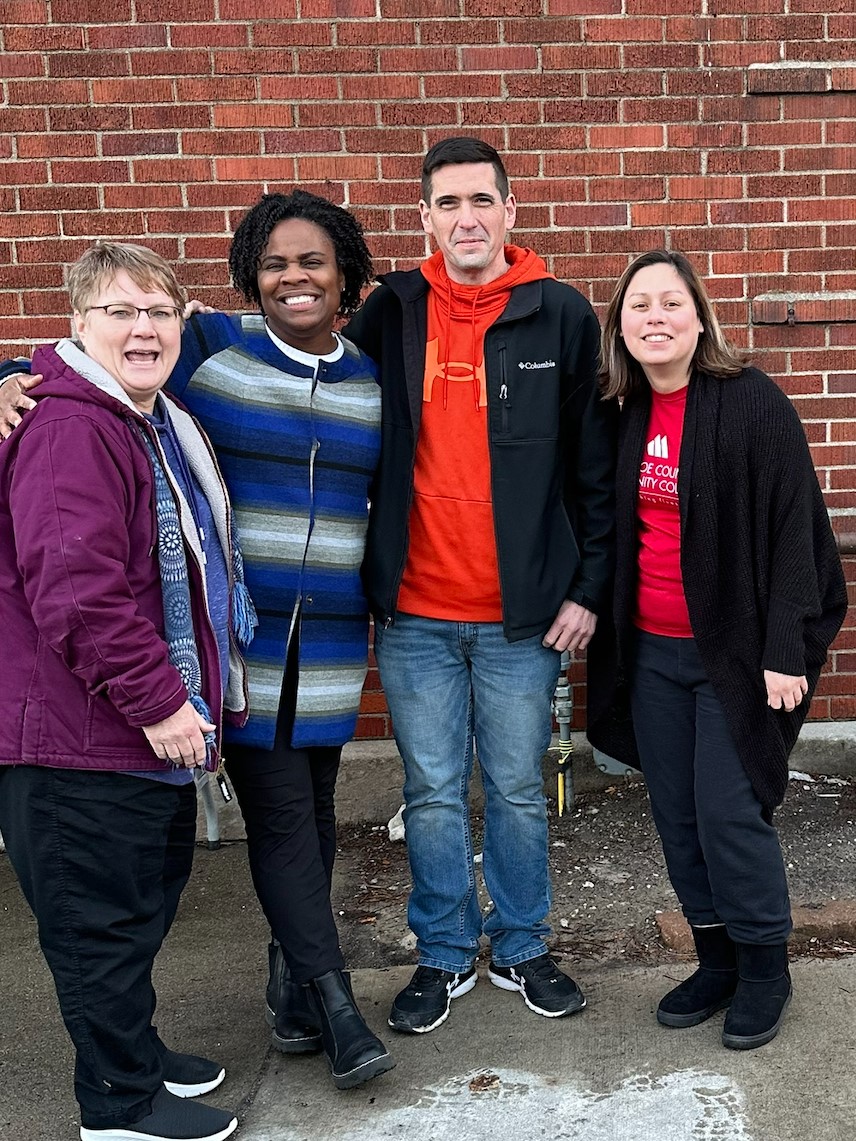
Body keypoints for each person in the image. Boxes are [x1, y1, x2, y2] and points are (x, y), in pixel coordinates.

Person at [0, 192, 394, 1092]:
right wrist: (1, 379)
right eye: (275, 264)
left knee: (317, 821)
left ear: (347, 278)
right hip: (239, 655)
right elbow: (81, 367)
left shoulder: (372, 375)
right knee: (289, 825)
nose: (294, 277)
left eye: (314, 262)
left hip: (329, 646)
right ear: (249, 279)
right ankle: (335, 1005)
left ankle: (291, 983)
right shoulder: (208, 355)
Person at [343, 136, 618, 1034]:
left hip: (523, 617)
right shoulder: (391, 310)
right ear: (424, 217)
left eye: (481, 201)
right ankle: (444, 953)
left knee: (515, 786)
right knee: (428, 790)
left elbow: (596, 471)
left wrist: (586, 588)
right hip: (417, 612)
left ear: (510, 209)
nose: (466, 218)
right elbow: (302, 369)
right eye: (447, 203)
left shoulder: (561, 314)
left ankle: (525, 944)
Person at [0, 242, 249, 1141]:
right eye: (119, 310)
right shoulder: (71, 426)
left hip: (119, 734)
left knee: (134, 911)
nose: (143, 327)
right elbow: (75, 589)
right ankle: (118, 1105)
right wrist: (162, 701)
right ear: (76, 324)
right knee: (96, 929)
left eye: (159, 310)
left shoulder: (143, 416)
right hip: (78, 737)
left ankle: (134, 1057)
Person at [587, 249, 847, 1050]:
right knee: (677, 816)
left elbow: (795, 533)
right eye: (639, 306)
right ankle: (718, 959)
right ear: (621, 328)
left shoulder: (752, 402)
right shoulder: (622, 412)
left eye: (672, 302)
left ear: (700, 318)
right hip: (653, 656)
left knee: (731, 814)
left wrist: (786, 650)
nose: (655, 317)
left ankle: (767, 969)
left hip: (737, 658)